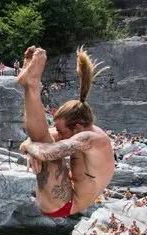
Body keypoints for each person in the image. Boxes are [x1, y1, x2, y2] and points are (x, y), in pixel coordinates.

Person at [19, 47, 114, 218]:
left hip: (65, 204)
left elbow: (48, 152)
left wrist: (29, 146)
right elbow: (38, 142)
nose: (58, 135)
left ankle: (32, 85)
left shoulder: (91, 139)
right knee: (41, 141)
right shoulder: (81, 131)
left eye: (62, 132)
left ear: (77, 127)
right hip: (60, 194)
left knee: (42, 143)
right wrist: (30, 147)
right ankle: (30, 85)